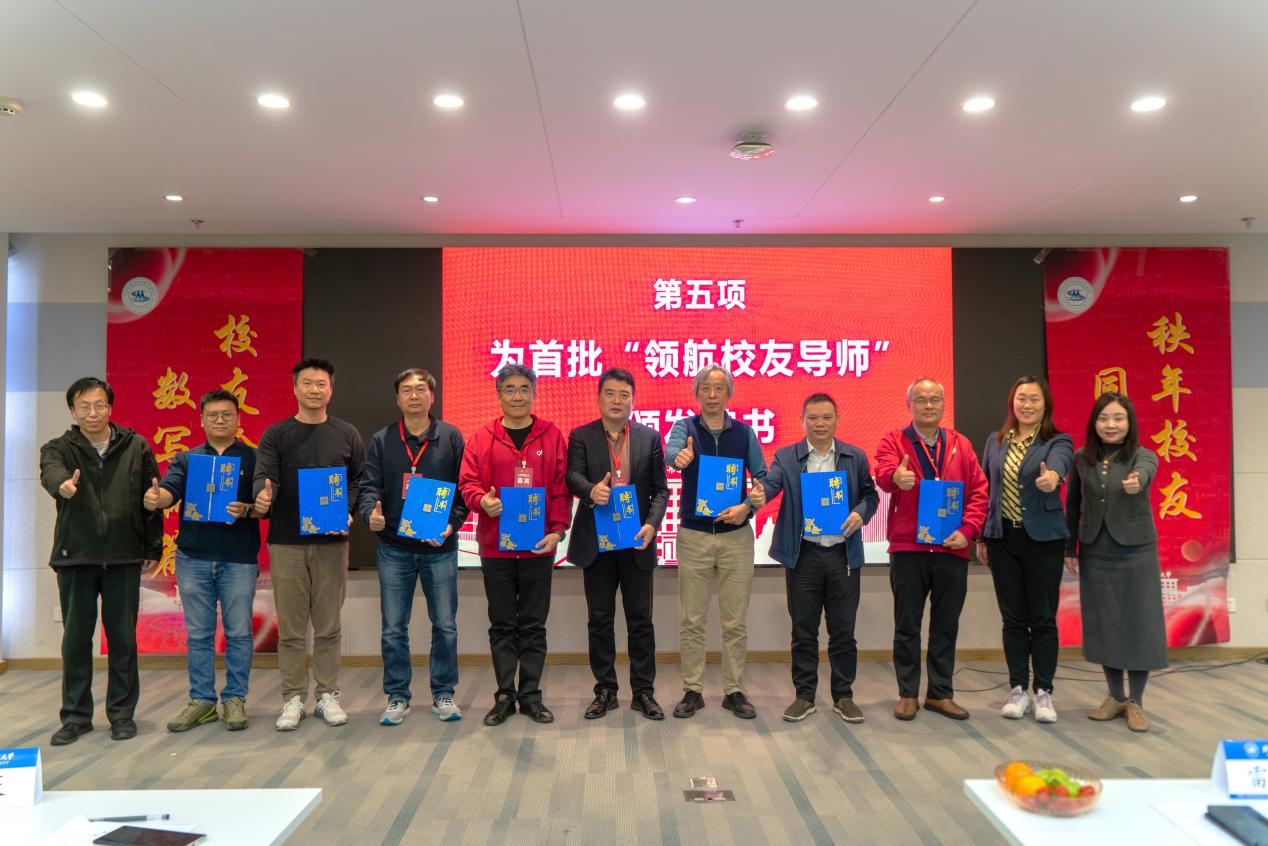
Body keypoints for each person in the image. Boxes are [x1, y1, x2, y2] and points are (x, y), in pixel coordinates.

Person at [40, 377, 162, 744]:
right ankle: (75, 717)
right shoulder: (58, 448)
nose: (92, 413)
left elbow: (152, 498)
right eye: (84, 406)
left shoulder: (136, 446)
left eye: (99, 405)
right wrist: (62, 485)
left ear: (110, 407)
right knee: (76, 640)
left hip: (124, 555)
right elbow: (51, 472)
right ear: (73, 410)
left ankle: (122, 715)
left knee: (123, 639)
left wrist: (152, 548)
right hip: (75, 556)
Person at [253, 358, 366, 731]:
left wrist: (348, 511)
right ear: (295, 388)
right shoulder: (277, 434)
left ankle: (327, 694)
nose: (314, 390)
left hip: (332, 542)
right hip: (287, 543)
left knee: (329, 626)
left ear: (331, 389)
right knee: (291, 628)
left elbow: (359, 480)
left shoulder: (347, 433)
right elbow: (264, 475)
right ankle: (293, 697)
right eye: (307, 383)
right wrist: (263, 496)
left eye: (321, 384)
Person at [458, 363, 571, 727]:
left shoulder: (551, 435)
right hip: (496, 547)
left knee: (534, 624)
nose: (518, 396)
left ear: (534, 394)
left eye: (524, 389)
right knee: (503, 624)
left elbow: (561, 489)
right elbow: (467, 483)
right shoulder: (482, 437)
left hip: (539, 546)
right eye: (510, 389)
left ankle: (532, 695)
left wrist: (558, 531)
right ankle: (505, 695)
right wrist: (481, 501)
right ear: (499, 395)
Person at [759, 393, 879, 724]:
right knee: (803, 630)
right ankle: (804, 696)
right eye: (813, 418)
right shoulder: (787, 457)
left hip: (843, 555)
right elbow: (771, 485)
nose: (820, 424)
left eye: (827, 417)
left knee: (843, 631)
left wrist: (860, 513)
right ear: (802, 421)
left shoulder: (854, 456)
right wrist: (758, 493)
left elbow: (869, 495)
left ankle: (843, 696)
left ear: (837, 419)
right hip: (805, 555)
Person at [146, 390, 261, 732]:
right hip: (193, 557)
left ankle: (235, 698)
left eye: (227, 414)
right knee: (199, 633)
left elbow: (265, 504)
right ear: (201, 420)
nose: (220, 420)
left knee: (239, 632)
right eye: (213, 415)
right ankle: (202, 700)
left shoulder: (254, 458)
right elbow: (169, 493)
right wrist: (157, 498)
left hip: (238, 558)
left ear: (238, 418)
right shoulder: (187, 459)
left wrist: (249, 509)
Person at [359, 368, 469, 725]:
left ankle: (443, 693)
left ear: (432, 396)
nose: (414, 395)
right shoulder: (383, 440)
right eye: (406, 390)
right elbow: (369, 486)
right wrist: (370, 514)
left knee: (445, 625)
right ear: (397, 398)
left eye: (421, 389)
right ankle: (397, 696)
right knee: (393, 626)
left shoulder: (450, 437)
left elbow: (465, 489)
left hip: (440, 547)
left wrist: (451, 526)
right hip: (394, 547)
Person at [874, 378, 988, 721]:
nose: (928, 405)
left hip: (951, 548)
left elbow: (979, 491)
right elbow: (882, 473)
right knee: (906, 626)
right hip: (908, 549)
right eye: (921, 400)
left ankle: (940, 694)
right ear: (909, 404)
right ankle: (907, 693)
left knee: (945, 626)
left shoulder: (960, 444)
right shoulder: (894, 440)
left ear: (942, 404)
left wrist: (968, 531)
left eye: (934, 399)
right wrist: (896, 478)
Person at [664, 365, 768, 720]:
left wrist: (748, 506)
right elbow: (671, 454)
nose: (712, 394)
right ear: (696, 392)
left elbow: (763, 478)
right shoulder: (685, 428)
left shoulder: (745, 433)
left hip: (736, 537)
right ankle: (692, 689)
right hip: (694, 536)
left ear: (728, 394)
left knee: (734, 622)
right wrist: (679, 457)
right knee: (692, 620)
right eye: (705, 388)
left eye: (719, 388)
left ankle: (733, 689)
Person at [566, 368, 670, 720]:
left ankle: (643, 692)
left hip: (636, 541)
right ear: (598, 398)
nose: (617, 400)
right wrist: (590, 491)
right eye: (610, 393)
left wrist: (652, 524)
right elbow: (572, 476)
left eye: (624, 395)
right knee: (599, 619)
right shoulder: (581, 435)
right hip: (597, 541)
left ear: (632, 400)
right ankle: (605, 690)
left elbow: (660, 491)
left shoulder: (649, 437)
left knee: (641, 620)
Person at [1064, 392, 1167, 733]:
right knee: (1104, 622)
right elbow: (1073, 503)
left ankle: (1136, 701)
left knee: (1138, 622)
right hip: (1096, 550)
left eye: (1118, 418)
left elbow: (1146, 471)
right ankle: (1114, 696)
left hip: (1136, 552)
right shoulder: (1082, 458)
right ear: (1095, 422)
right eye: (1104, 418)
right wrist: (1069, 548)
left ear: (1129, 423)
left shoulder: (1142, 455)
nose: (1111, 425)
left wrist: (1138, 481)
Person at [977, 377, 1074, 724]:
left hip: (1043, 540)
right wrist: (982, 537)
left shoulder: (1057, 441)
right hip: (1003, 539)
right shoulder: (996, 441)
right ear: (1012, 403)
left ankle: (1043, 691)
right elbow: (986, 490)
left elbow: (1060, 465)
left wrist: (1053, 478)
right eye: (1021, 398)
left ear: (1045, 404)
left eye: (1034, 399)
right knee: (1013, 619)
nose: (1027, 405)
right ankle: (1018, 688)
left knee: (1043, 618)